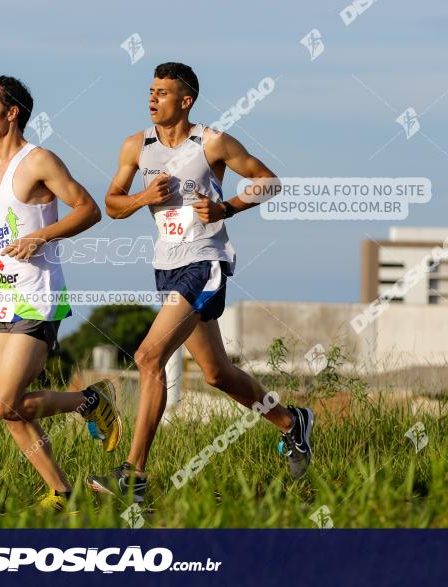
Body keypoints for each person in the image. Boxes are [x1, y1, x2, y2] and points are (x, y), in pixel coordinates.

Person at [86, 62, 313, 503]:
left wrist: (226, 208)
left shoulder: (211, 142)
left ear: (185, 100)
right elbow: (112, 204)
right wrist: (142, 198)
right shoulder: (136, 146)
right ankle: (291, 423)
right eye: (150, 91)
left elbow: (269, 181)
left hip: (205, 262)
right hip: (166, 266)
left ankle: (133, 476)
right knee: (216, 373)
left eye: (163, 92)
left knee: (148, 357)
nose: (152, 98)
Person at [0, 74, 121, 511]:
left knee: (2, 401)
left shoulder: (39, 161)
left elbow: (89, 210)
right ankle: (64, 494)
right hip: (0, 293)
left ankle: (90, 401)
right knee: (10, 409)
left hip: (38, 295)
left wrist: (41, 238)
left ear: (11, 112)